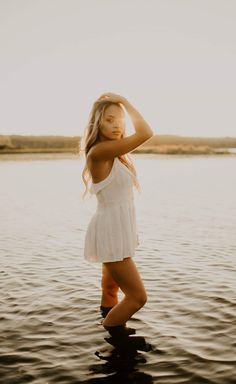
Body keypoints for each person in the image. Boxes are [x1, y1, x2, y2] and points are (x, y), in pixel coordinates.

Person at [80, 92, 154, 343]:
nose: (117, 125)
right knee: (137, 297)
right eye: (110, 119)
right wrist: (126, 101)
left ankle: (109, 357)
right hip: (111, 232)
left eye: (120, 120)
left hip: (115, 229)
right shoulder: (100, 151)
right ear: (97, 123)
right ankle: (113, 337)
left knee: (110, 289)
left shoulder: (114, 155)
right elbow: (146, 133)